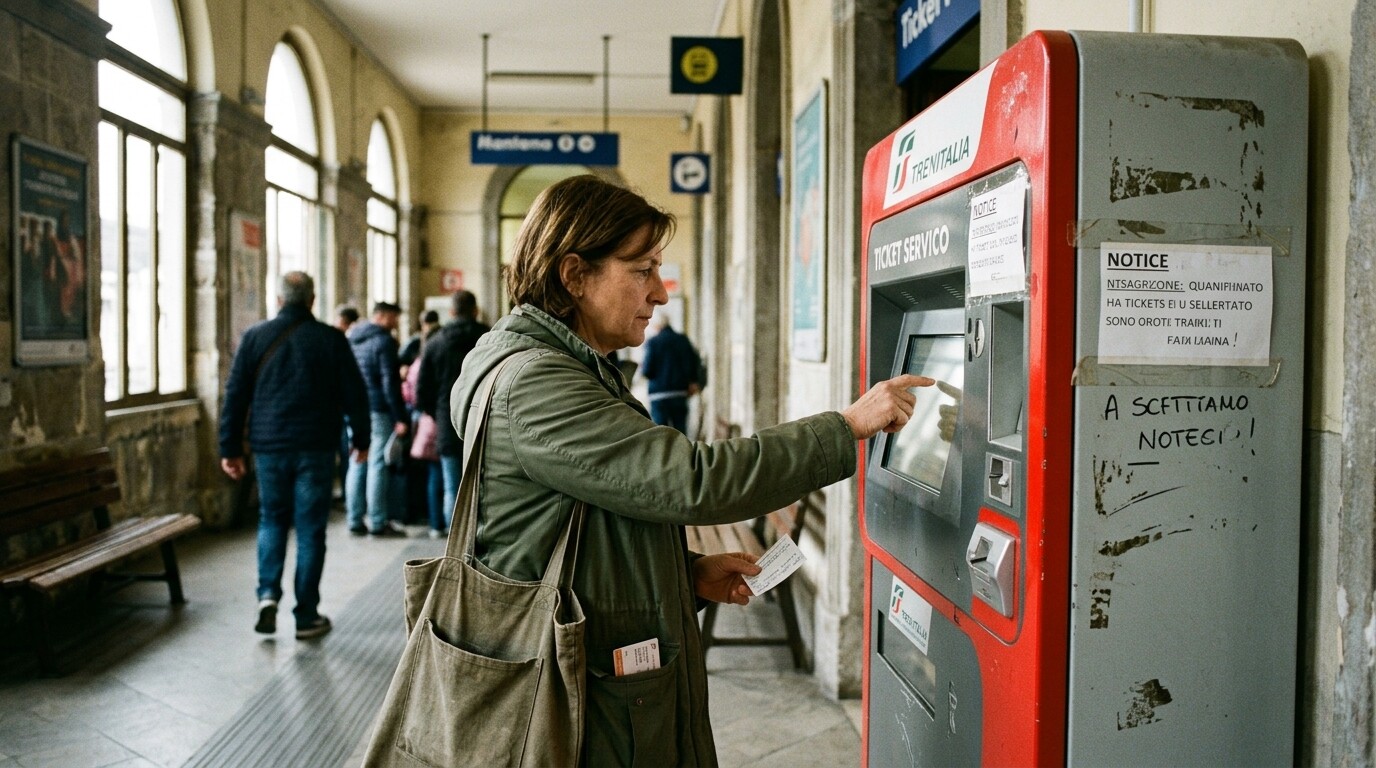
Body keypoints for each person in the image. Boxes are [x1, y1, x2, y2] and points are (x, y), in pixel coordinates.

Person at [447, 175, 930, 765]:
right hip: (572, 705)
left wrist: (684, 575)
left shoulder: (552, 366)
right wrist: (846, 426)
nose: (660, 294)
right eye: (642, 270)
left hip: (583, 682)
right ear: (575, 276)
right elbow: (691, 479)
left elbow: (585, 523)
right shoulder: (537, 384)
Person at [218, 271, 369, 640]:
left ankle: (268, 595)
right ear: (312, 300)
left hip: (269, 446)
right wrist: (362, 438)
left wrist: (230, 448)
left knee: (271, 519)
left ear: (279, 299)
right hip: (316, 446)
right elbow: (354, 393)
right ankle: (306, 615)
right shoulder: (331, 339)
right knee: (310, 529)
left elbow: (235, 395)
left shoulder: (254, 337)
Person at [415, 289, 490, 533]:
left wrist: (437, 413)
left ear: (451, 312)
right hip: (485, 421)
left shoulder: (435, 343)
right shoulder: (489, 338)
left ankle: (453, 539)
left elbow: (422, 390)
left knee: (452, 486)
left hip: (447, 421)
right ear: (475, 311)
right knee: (484, 486)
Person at [346, 301, 410, 537]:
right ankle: (377, 521)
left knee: (357, 459)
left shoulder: (353, 338)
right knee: (377, 463)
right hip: (378, 409)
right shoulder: (384, 342)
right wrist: (400, 417)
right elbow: (389, 383)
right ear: (382, 316)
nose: (395, 323)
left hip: (355, 407)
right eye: (394, 318)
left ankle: (354, 519)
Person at [639, 311, 702, 434]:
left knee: (660, 434)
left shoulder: (653, 343)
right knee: (680, 433)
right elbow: (694, 363)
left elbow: (647, 371)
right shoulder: (682, 340)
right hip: (680, 393)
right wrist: (693, 381)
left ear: (657, 325)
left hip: (658, 395)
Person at [333, 305, 361, 504]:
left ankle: (346, 493)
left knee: (345, 453)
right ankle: (346, 494)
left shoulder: (341, 341)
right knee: (346, 453)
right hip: (342, 408)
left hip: (337, 409)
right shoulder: (338, 341)